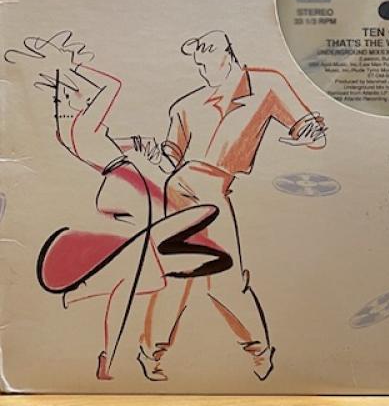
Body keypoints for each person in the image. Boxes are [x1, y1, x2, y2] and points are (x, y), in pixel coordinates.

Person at [5, 32, 227, 382]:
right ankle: (106, 340)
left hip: (126, 186)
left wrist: (140, 145)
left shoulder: (78, 132)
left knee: (142, 268)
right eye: (78, 93)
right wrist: (74, 67)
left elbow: (120, 142)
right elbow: (111, 87)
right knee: (166, 244)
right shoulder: (84, 127)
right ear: (73, 98)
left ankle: (96, 325)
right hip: (127, 187)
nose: (87, 95)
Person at [137, 31, 327, 382]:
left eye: (205, 59)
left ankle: (254, 353)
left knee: (215, 279)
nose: (201, 67)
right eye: (197, 62)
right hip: (181, 189)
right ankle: (158, 353)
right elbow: (169, 160)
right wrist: (150, 154)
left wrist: (312, 134)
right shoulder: (187, 105)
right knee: (182, 276)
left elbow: (307, 130)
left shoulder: (267, 85)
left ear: (226, 53)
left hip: (213, 189)